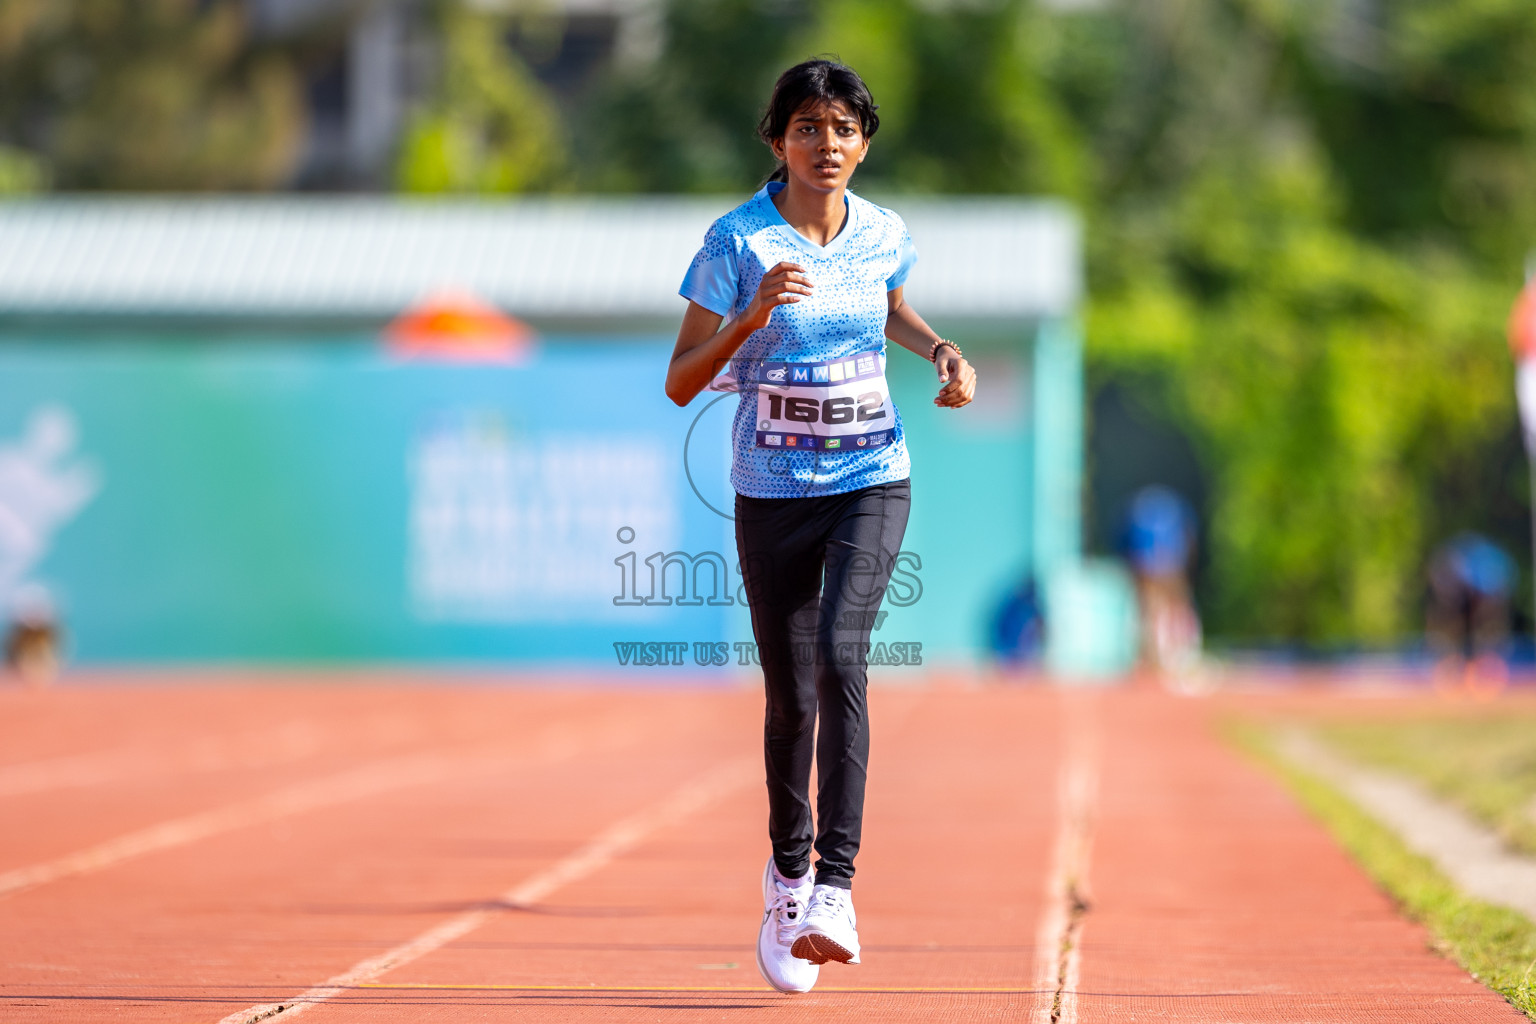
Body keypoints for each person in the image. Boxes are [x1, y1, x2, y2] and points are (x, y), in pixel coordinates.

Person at [665, 59, 976, 994]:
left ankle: (836, 887)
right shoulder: (736, 241)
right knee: (791, 692)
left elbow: (887, 309)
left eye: (843, 129)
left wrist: (942, 350)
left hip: (872, 474)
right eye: (807, 128)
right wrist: (751, 315)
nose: (826, 145)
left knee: (846, 655)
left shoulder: (885, 233)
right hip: (771, 490)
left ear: (864, 142)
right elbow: (682, 378)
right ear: (776, 141)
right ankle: (788, 878)